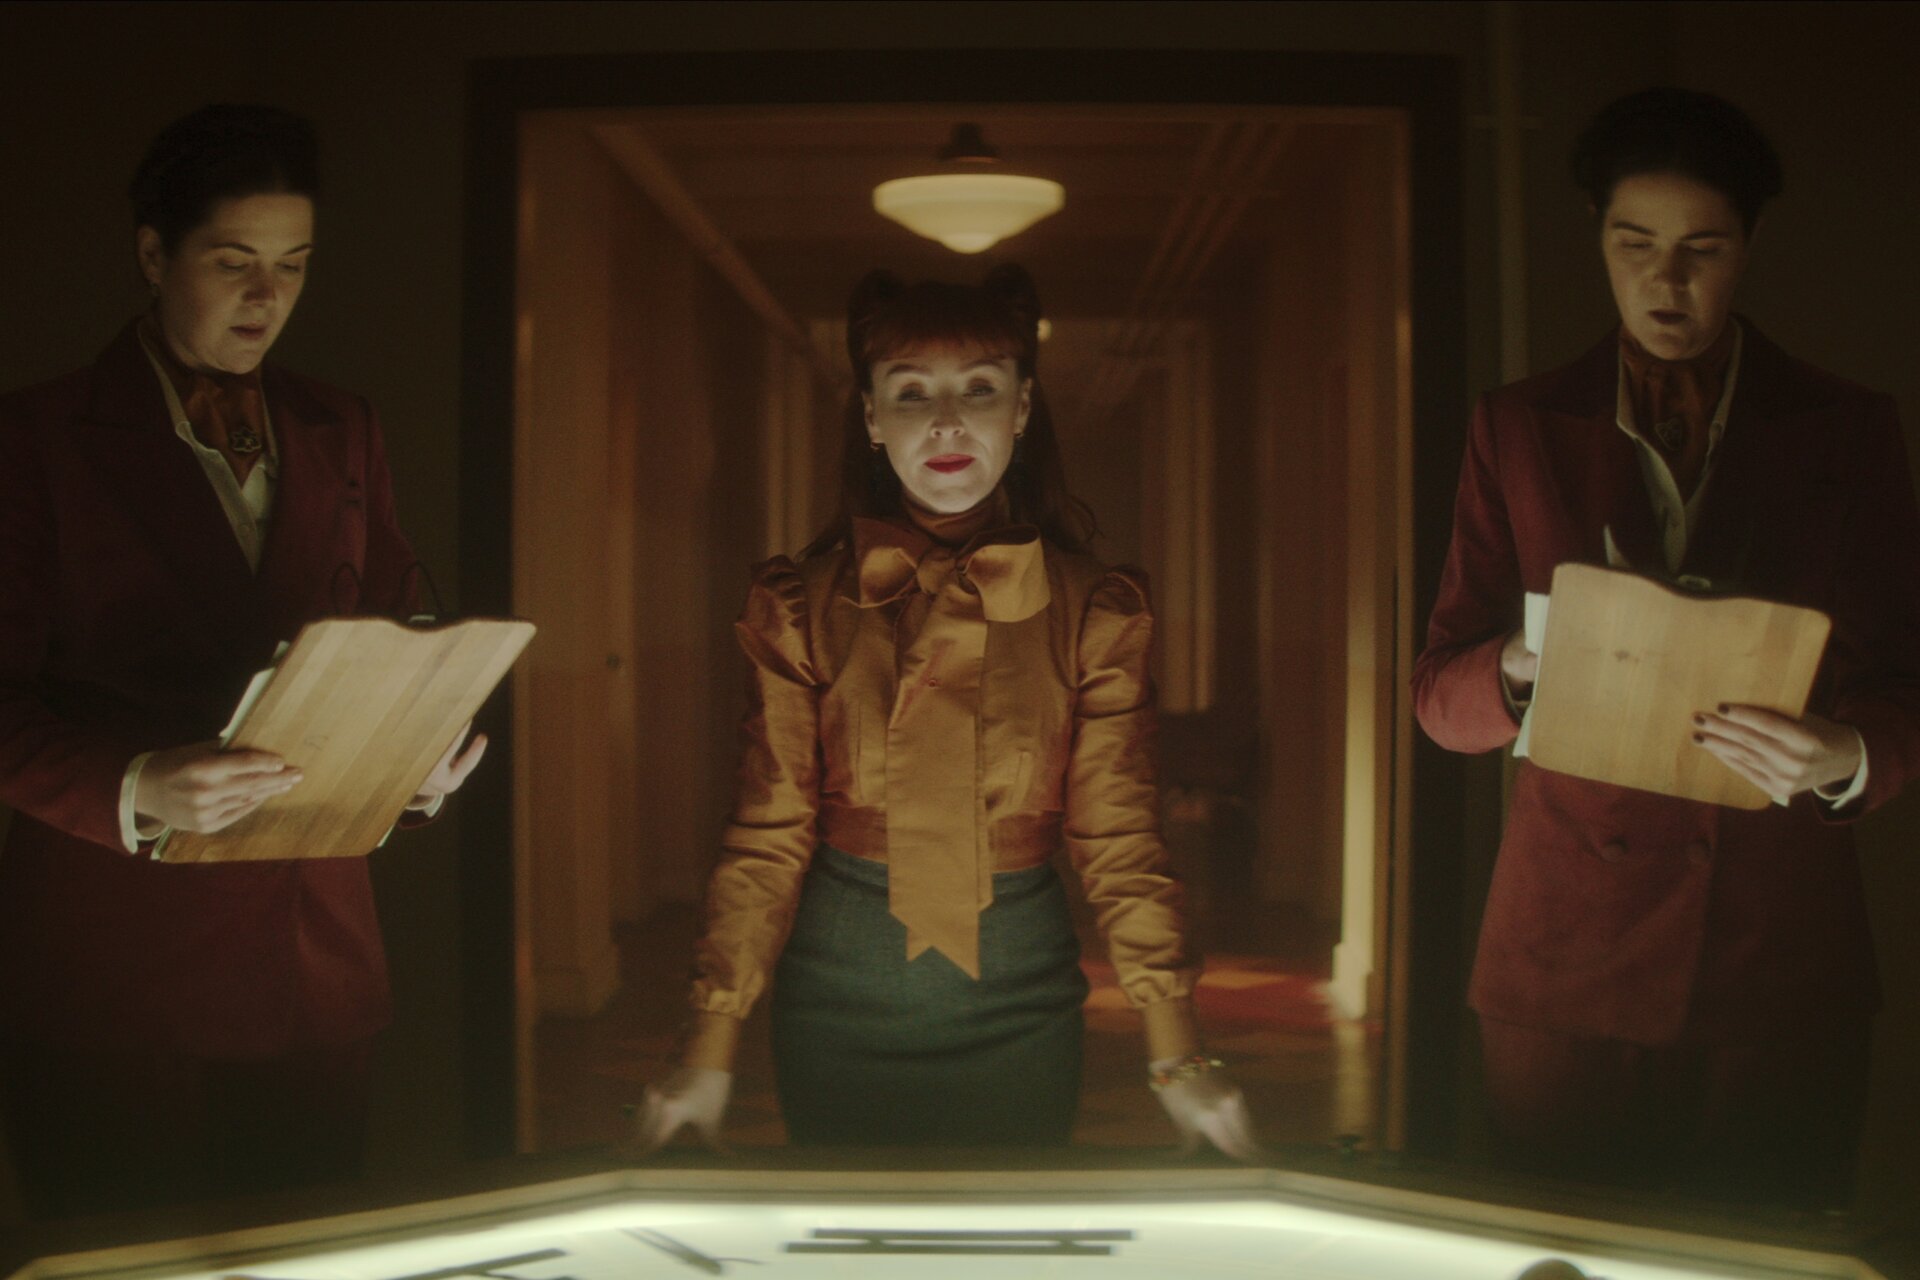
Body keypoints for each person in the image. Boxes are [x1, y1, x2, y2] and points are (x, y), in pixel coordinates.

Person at [1414, 87, 1920, 1207]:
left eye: (1703, 249)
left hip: (1777, 953)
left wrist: (1847, 755)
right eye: (1633, 243)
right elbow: (1438, 693)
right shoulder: (1519, 425)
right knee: (1569, 1249)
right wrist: (1519, 668)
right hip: (1566, 956)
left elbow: (1905, 681)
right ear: (1598, 239)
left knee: (1769, 1255)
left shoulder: (1848, 428)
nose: (1666, 281)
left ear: (1749, 247)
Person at [638, 265, 1257, 1157]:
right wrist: (707, 1047)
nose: (946, 422)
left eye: (979, 389)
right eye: (911, 392)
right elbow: (767, 832)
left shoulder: (1096, 608)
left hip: (1022, 989)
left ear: (1022, 407)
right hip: (837, 990)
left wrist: (1180, 1057)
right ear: (871, 417)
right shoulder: (799, 605)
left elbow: (1121, 838)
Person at [0, 104, 483, 1218]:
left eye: (293, 265)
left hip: (314, 963)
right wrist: (136, 784)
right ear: (153, 254)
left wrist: (413, 761)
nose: (267, 297)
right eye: (234, 263)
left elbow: (396, 634)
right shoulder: (33, 439)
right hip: (115, 969)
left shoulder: (343, 426)